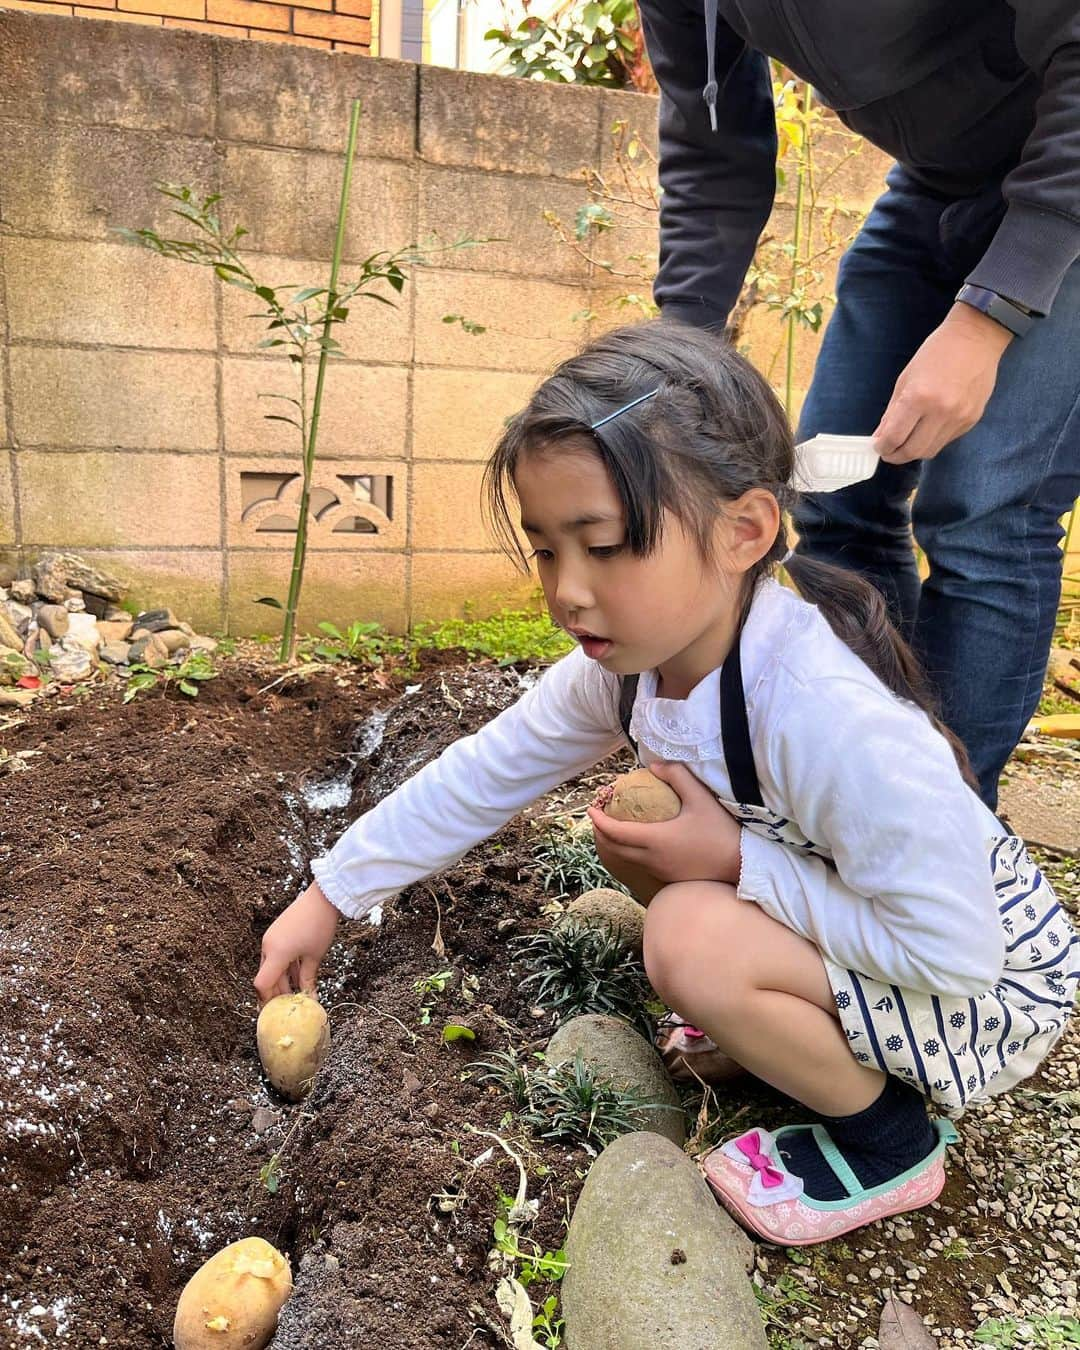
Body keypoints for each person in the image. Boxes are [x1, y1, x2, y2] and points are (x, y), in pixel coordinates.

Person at [254, 321, 1078, 1245]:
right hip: (891, 938)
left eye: (603, 546)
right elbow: (488, 769)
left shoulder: (826, 718)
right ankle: (781, 1023)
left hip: (984, 989)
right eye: (546, 549)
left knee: (687, 931)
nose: (567, 590)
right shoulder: (636, 663)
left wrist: (733, 862)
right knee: (651, 839)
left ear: (744, 532)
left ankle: (888, 1139)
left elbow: (953, 954)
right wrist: (334, 890)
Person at [634, 0, 1080, 809]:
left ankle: (950, 839)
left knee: (985, 513)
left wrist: (987, 320)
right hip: (935, 183)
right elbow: (711, 149)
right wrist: (679, 354)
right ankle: (887, 785)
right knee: (835, 507)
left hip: (1067, 181)